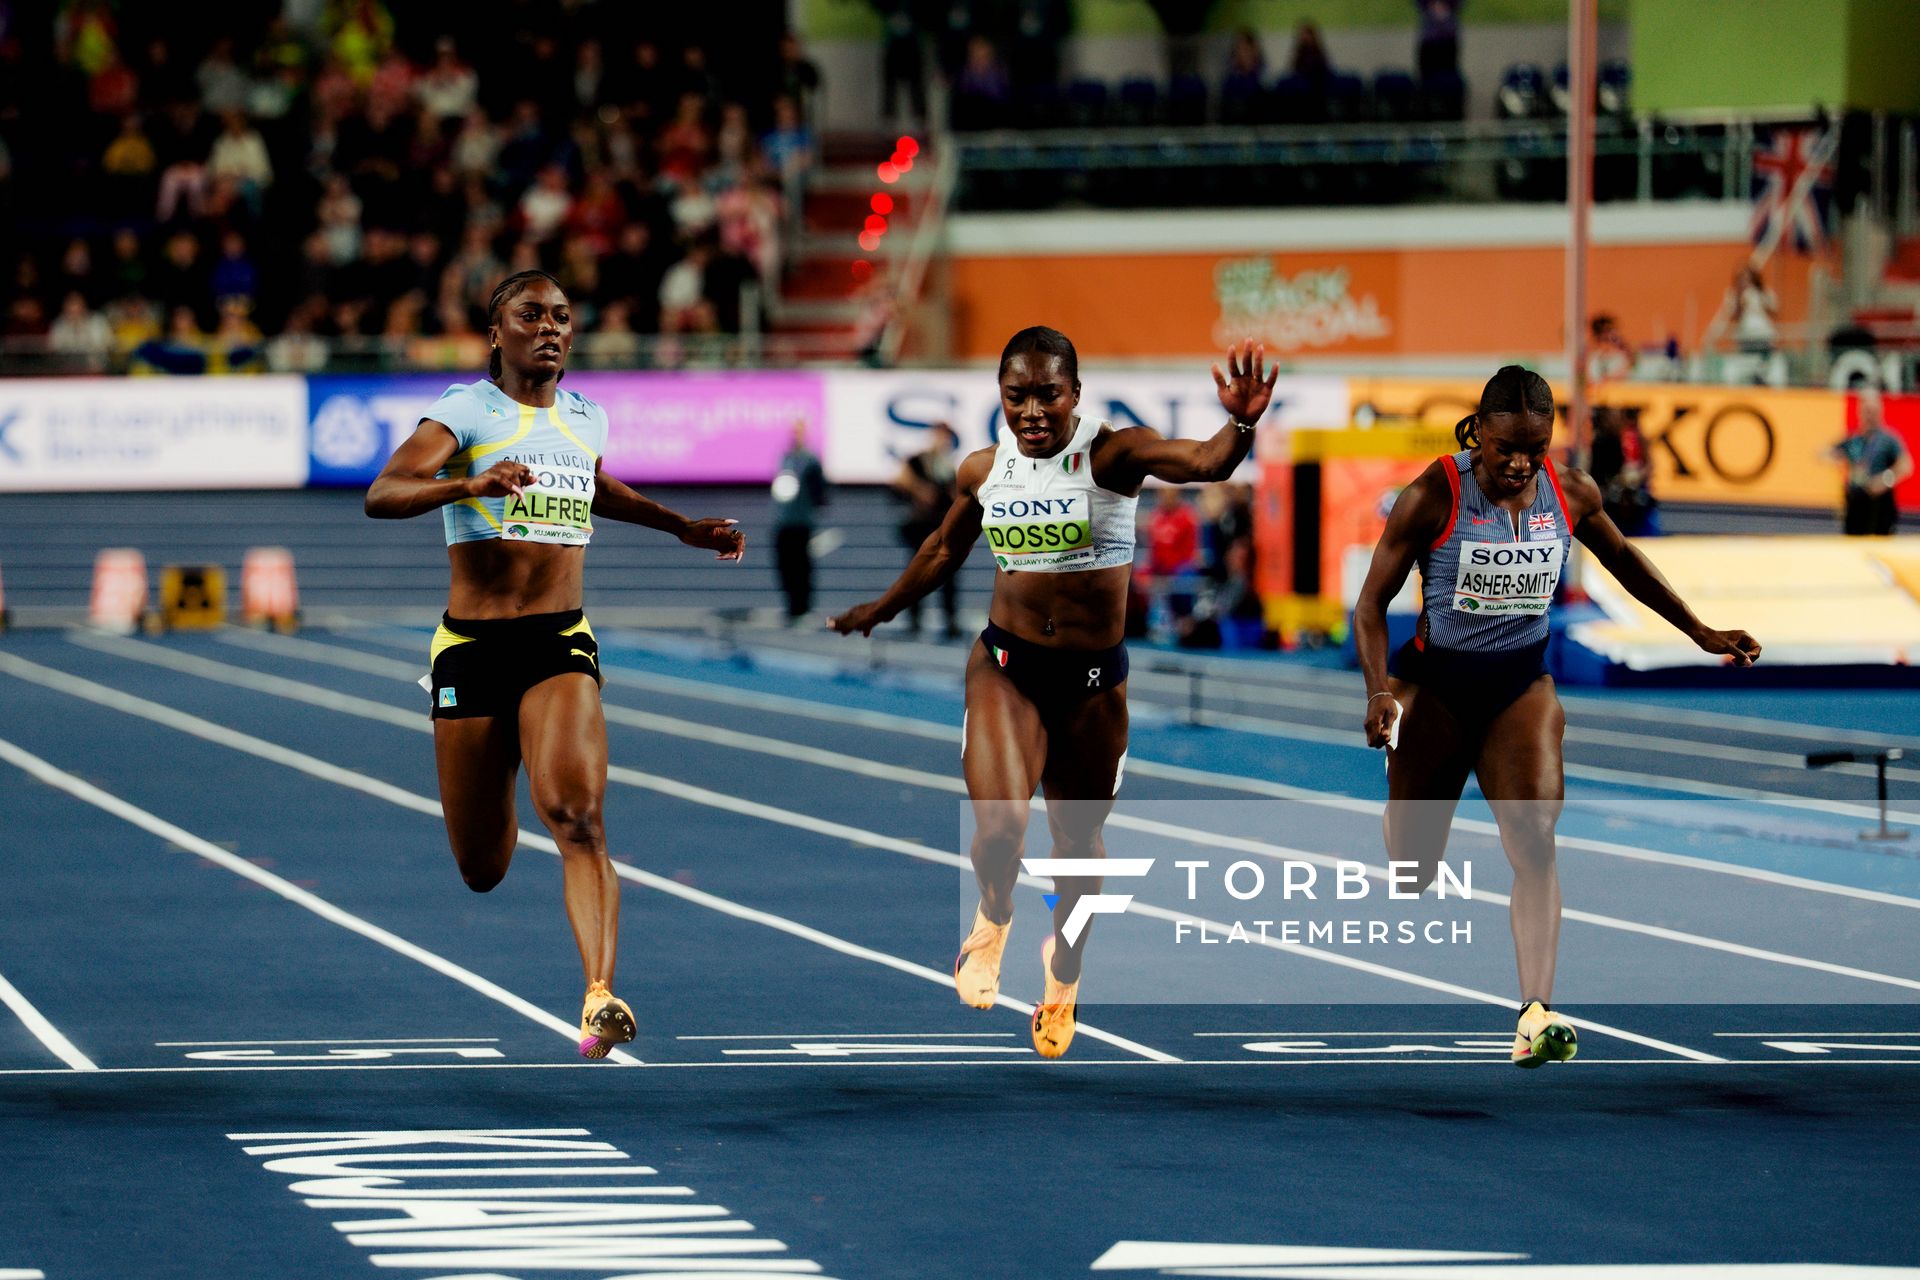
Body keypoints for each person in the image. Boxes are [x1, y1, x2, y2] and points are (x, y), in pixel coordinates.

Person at [829, 328, 1280, 1057]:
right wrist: (879, 609)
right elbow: (945, 548)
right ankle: (994, 914)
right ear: (1001, 398)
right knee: (1002, 828)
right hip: (1008, 668)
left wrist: (1245, 421)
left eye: (1048, 395)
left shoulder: (1115, 454)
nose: (1032, 411)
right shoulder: (983, 469)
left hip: (1094, 686)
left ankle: (1063, 972)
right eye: (1017, 396)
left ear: (1075, 394)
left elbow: (1205, 460)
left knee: (1076, 849)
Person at [364, 270, 746, 1059]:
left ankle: (600, 996)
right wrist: (468, 483)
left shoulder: (586, 416)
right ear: (495, 332)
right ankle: (494, 766)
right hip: (472, 649)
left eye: (563, 316)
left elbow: (595, 486)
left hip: (557, 640)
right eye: (530, 314)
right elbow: (384, 490)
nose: (551, 327)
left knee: (577, 814)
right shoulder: (468, 410)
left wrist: (680, 527)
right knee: (482, 867)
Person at [1353, 365, 1760, 1068]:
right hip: (1437, 686)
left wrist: (1699, 631)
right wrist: (1377, 693)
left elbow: (1626, 560)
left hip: (1519, 684)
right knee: (1412, 868)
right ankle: (1406, 777)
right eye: (1505, 447)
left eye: (1534, 450)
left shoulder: (1569, 492)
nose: (1519, 463)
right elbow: (1368, 606)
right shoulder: (1433, 495)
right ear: (1477, 432)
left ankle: (1534, 1014)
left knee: (1536, 837)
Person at [894, 422, 962, 637]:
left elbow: (957, 494)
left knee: (948, 575)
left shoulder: (948, 465)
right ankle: (914, 619)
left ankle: (949, 620)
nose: (942, 441)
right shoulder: (918, 460)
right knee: (917, 573)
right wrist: (920, 490)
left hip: (942, 527)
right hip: (921, 525)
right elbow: (900, 480)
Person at [1831, 386, 1912, 535]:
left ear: (1880, 412)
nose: (1870, 416)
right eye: (1867, 411)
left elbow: (1906, 465)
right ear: (1860, 411)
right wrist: (1839, 464)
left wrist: (1885, 480)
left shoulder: (1888, 440)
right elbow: (1829, 453)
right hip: (1856, 501)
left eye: (1874, 411)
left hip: (1879, 502)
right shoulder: (1853, 439)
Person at [772, 419, 827, 622]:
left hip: (801, 521)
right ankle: (792, 605)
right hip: (784, 520)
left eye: (798, 432)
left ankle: (803, 606)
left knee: (801, 565)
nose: (794, 436)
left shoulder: (811, 461)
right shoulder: (785, 458)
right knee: (784, 563)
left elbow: (820, 493)